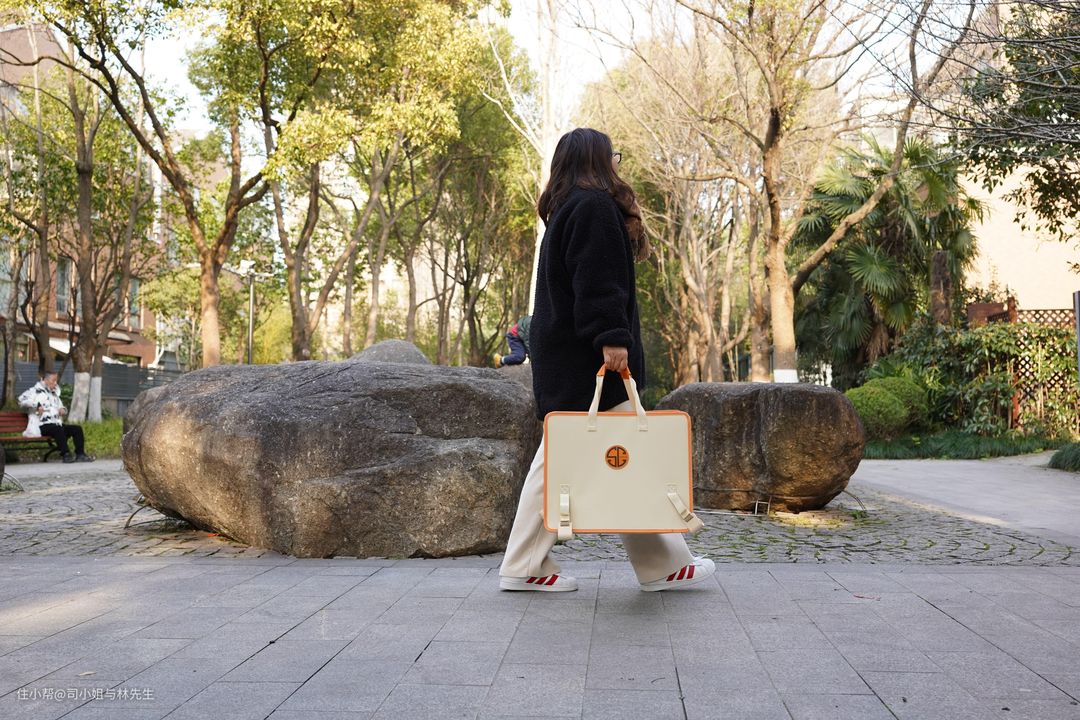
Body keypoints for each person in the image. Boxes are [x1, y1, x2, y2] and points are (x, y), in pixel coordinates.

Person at [499, 128, 715, 593]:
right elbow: (597, 283)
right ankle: (524, 565)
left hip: (570, 358)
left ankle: (661, 564)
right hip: (590, 360)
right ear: (597, 160)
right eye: (613, 155)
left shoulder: (567, 208)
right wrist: (613, 339)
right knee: (570, 463)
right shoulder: (593, 207)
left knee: (605, 459)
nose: (617, 163)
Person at [18, 371, 93, 463]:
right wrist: (36, 405)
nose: (55, 383)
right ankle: (66, 454)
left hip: (56, 424)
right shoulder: (34, 391)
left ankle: (80, 454)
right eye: (53, 380)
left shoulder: (54, 393)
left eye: (56, 380)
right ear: (45, 380)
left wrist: (62, 410)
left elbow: (61, 406)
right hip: (41, 425)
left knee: (77, 429)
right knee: (58, 429)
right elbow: (21, 401)